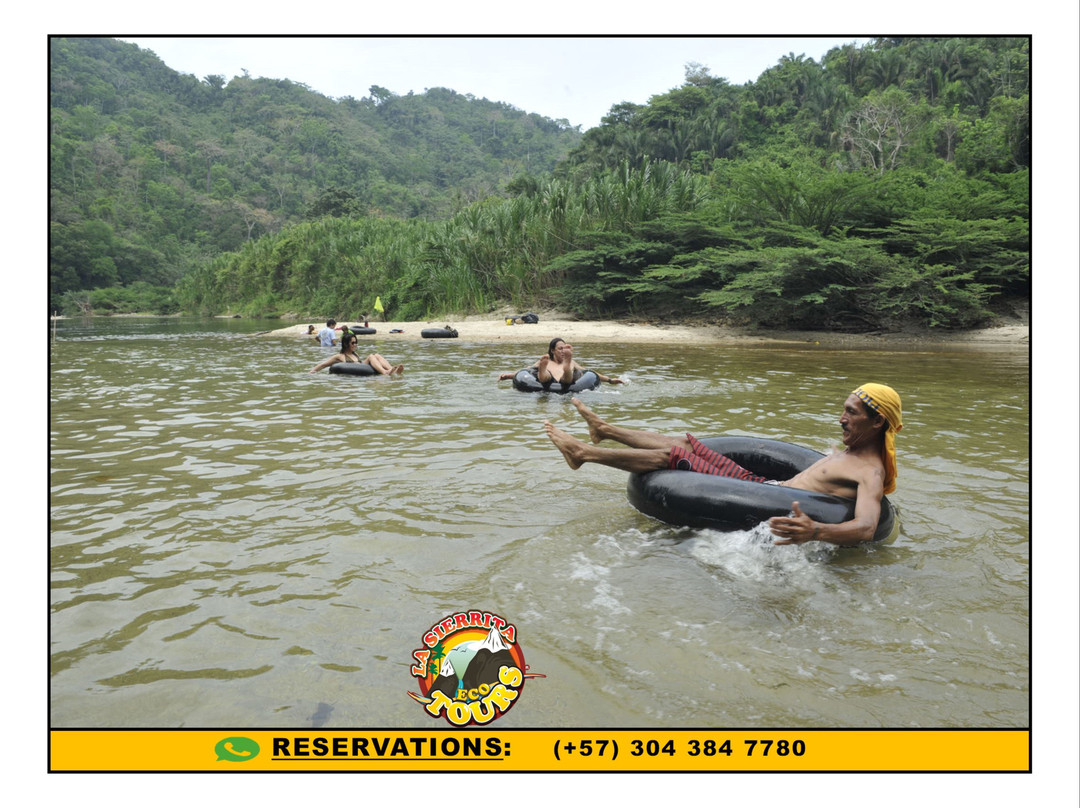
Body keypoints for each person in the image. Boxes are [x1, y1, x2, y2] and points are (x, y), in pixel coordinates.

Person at [543, 384, 903, 546]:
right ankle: (604, 430)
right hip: (761, 484)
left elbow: (866, 527)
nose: (841, 418)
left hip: (762, 495)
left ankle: (584, 454)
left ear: (876, 423)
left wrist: (817, 531)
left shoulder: (869, 471)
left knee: (675, 459)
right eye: (843, 410)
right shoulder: (851, 453)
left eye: (851, 413)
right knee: (688, 445)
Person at [498, 338, 624, 385]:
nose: (563, 351)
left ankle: (566, 368)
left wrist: (610, 380)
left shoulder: (573, 362)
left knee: (567, 375)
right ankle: (542, 370)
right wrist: (508, 376)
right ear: (552, 350)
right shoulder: (547, 360)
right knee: (544, 376)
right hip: (548, 381)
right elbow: (525, 370)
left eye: (565, 349)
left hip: (566, 382)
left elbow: (589, 372)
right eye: (560, 349)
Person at [309, 331, 403, 375]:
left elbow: (361, 365)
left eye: (356, 342)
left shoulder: (355, 354)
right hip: (356, 371)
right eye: (353, 343)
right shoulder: (339, 356)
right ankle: (385, 372)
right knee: (371, 356)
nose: (355, 345)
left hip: (362, 367)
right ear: (346, 344)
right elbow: (324, 364)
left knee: (376, 355)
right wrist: (312, 371)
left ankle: (391, 369)